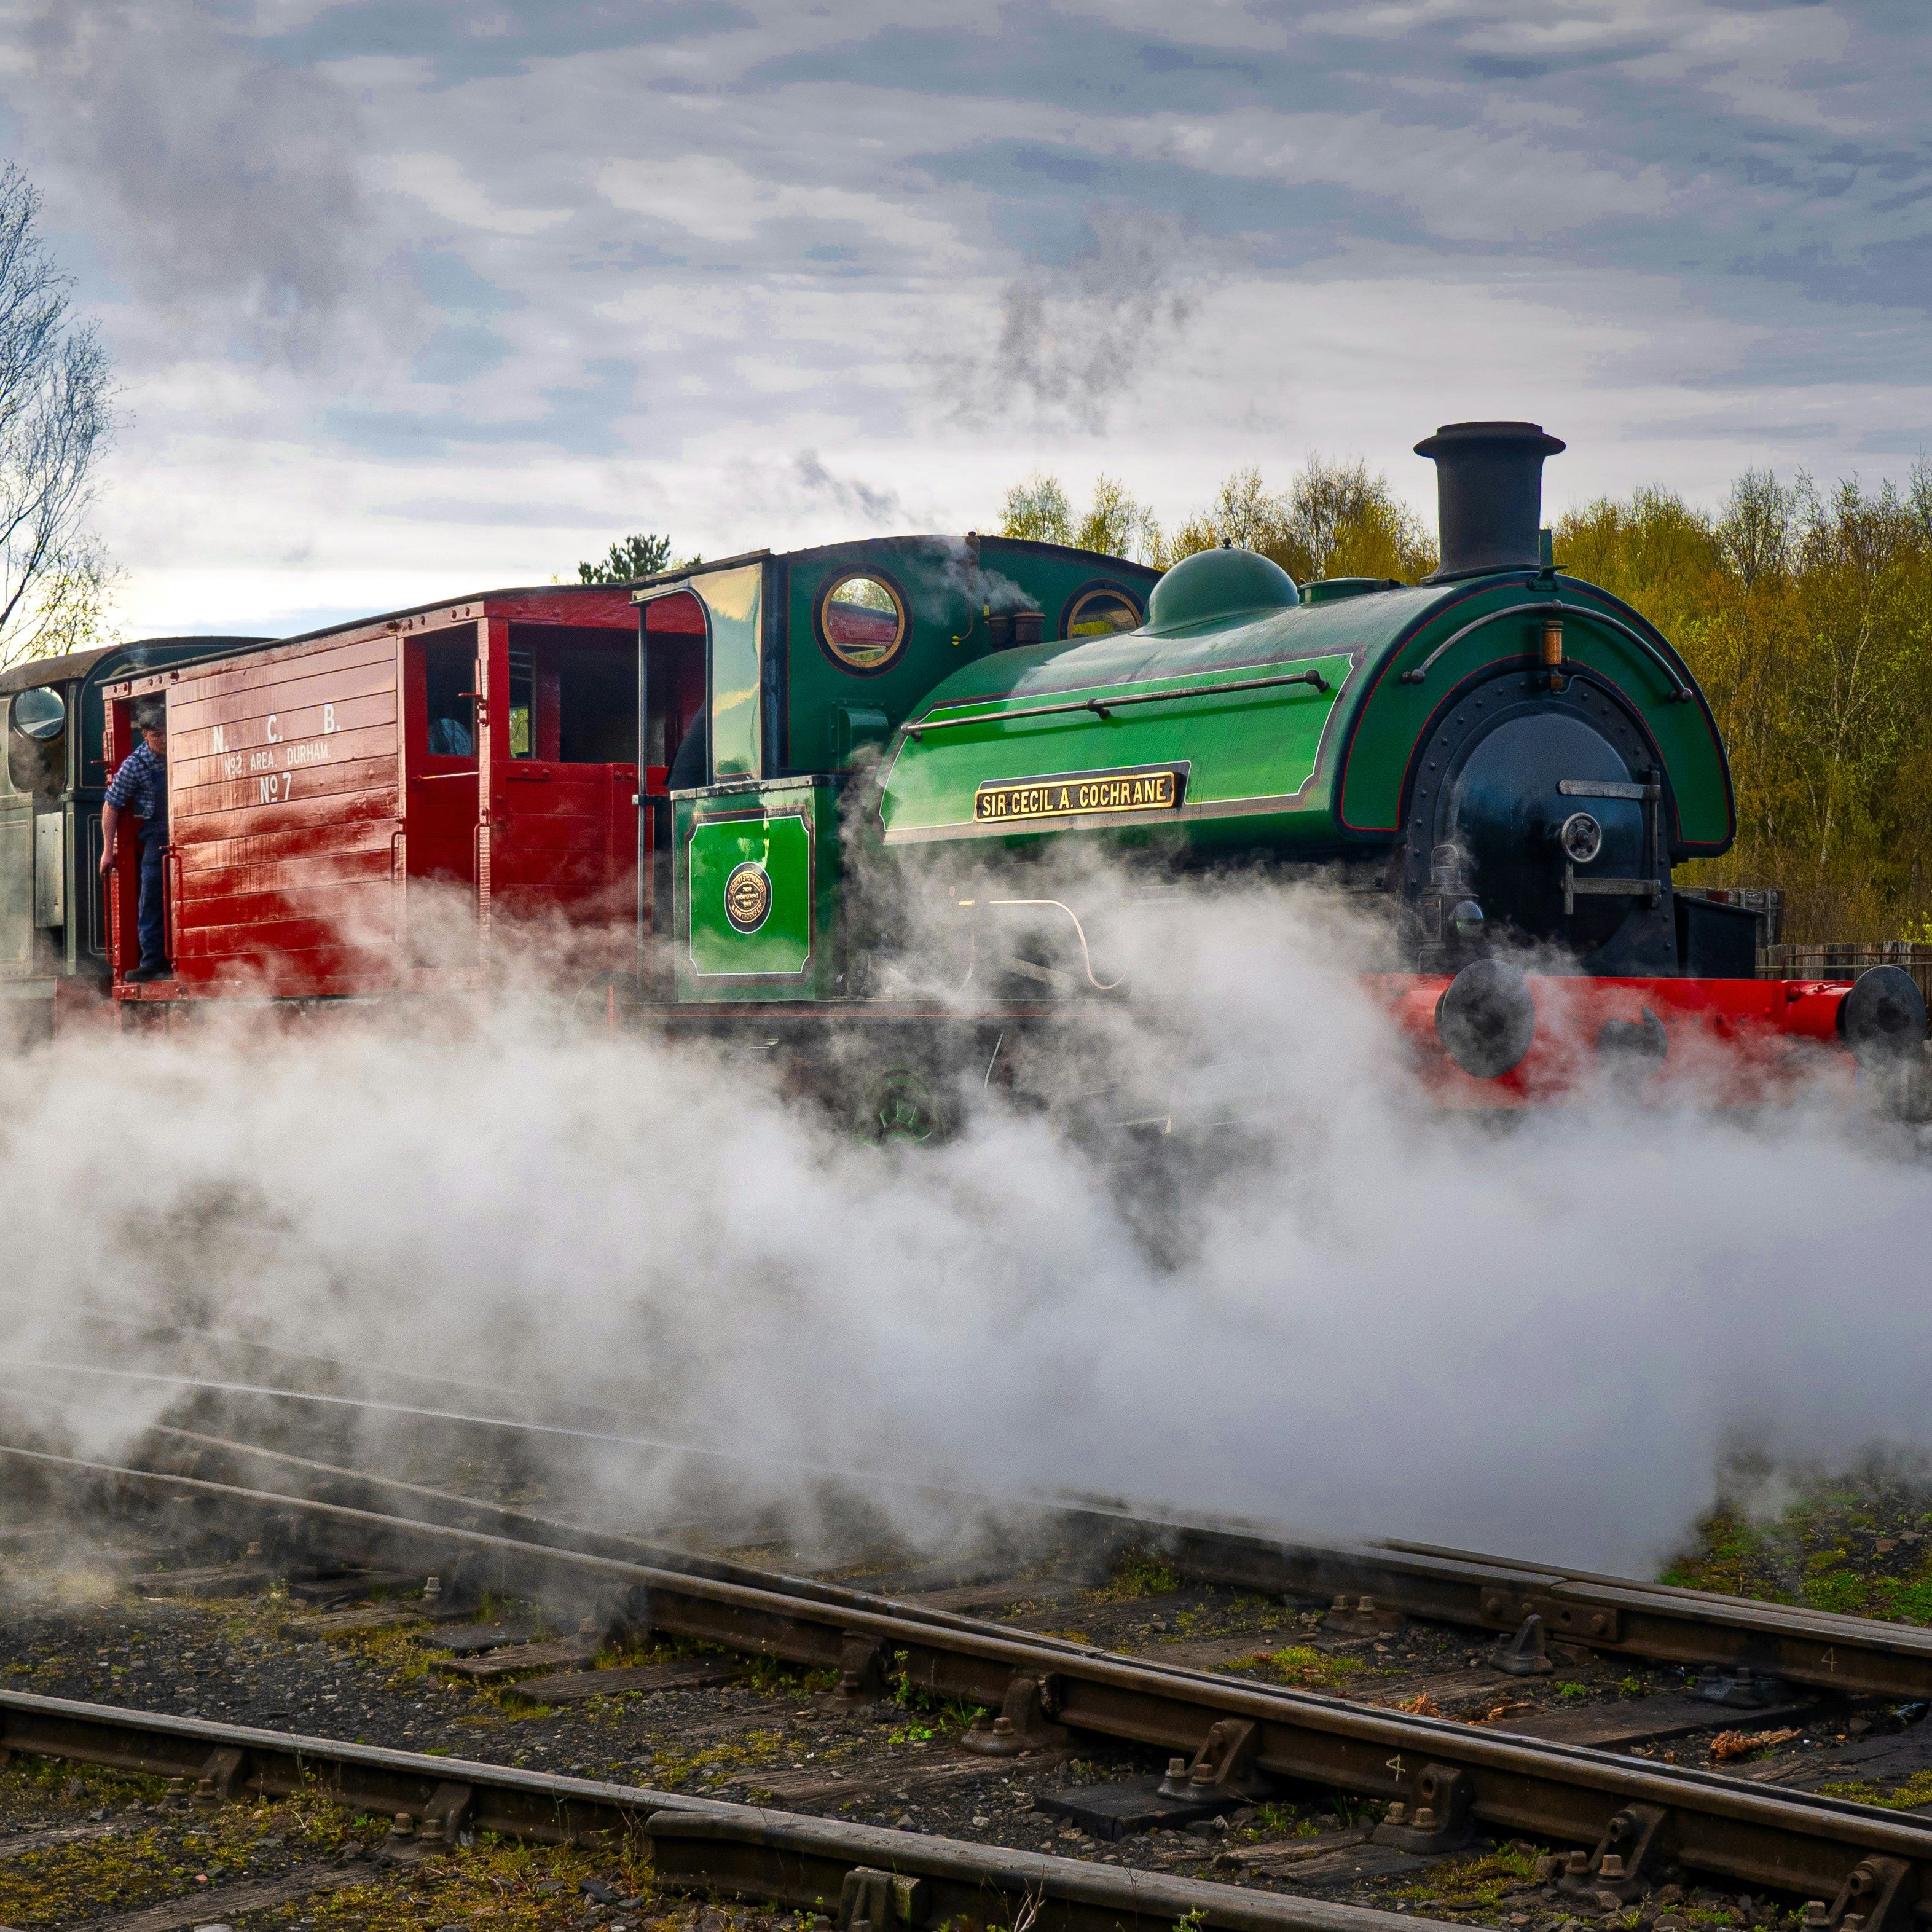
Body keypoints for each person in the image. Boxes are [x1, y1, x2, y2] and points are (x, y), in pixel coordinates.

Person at [100, 703, 172, 983]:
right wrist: (109, 850)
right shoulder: (134, 765)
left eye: (167, 734)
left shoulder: (183, 749)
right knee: (152, 889)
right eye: (158, 736)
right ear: (145, 735)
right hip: (157, 831)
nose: (164, 740)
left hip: (187, 823)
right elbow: (111, 806)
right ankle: (153, 960)